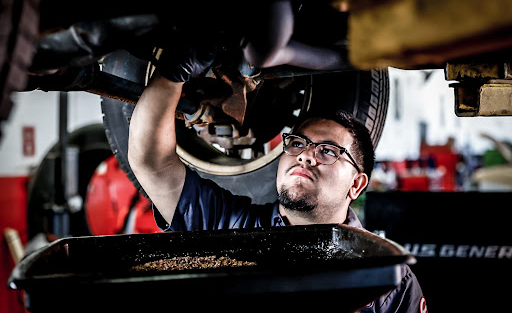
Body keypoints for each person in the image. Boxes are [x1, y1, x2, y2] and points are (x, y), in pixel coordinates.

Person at [127, 38, 427, 313]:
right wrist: (173, 73)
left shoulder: (388, 276)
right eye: (297, 143)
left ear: (356, 184)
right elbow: (152, 163)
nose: (305, 155)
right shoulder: (229, 228)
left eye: (328, 151)